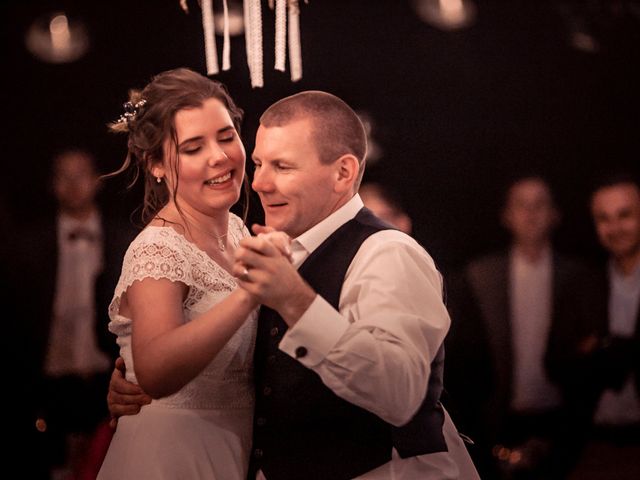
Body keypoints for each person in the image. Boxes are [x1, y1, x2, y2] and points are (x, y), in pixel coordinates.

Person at [108, 89, 479, 479]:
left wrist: (297, 301)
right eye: (258, 164)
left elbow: (402, 395)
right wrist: (133, 379)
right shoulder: (268, 249)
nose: (259, 184)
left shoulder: (388, 253)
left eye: (282, 167)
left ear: (343, 173)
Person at [97, 68, 289, 479]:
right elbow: (156, 370)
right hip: (173, 457)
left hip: (236, 449)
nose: (219, 157)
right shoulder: (158, 248)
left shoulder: (239, 232)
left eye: (225, 136)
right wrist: (249, 293)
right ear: (157, 166)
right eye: (193, 148)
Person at [445, 175, 602, 479]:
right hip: (496, 423)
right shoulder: (480, 276)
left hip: (563, 423)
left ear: (555, 214)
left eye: (539, 204)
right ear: (506, 215)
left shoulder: (579, 277)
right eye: (521, 205)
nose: (530, 213)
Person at [13, 148, 135, 479]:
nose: (73, 184)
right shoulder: (27, 247)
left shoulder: (127, 241)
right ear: (52, 185)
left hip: (108, 375)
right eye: (63, 177)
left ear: (97, 181)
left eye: (80, 174)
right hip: (48, 379)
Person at [570, 174, 640, 479]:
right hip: (594, 444)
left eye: (625, 215)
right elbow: (558, 360)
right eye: (603, 218)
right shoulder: (585, 283)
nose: (615, 228)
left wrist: (603, 345)